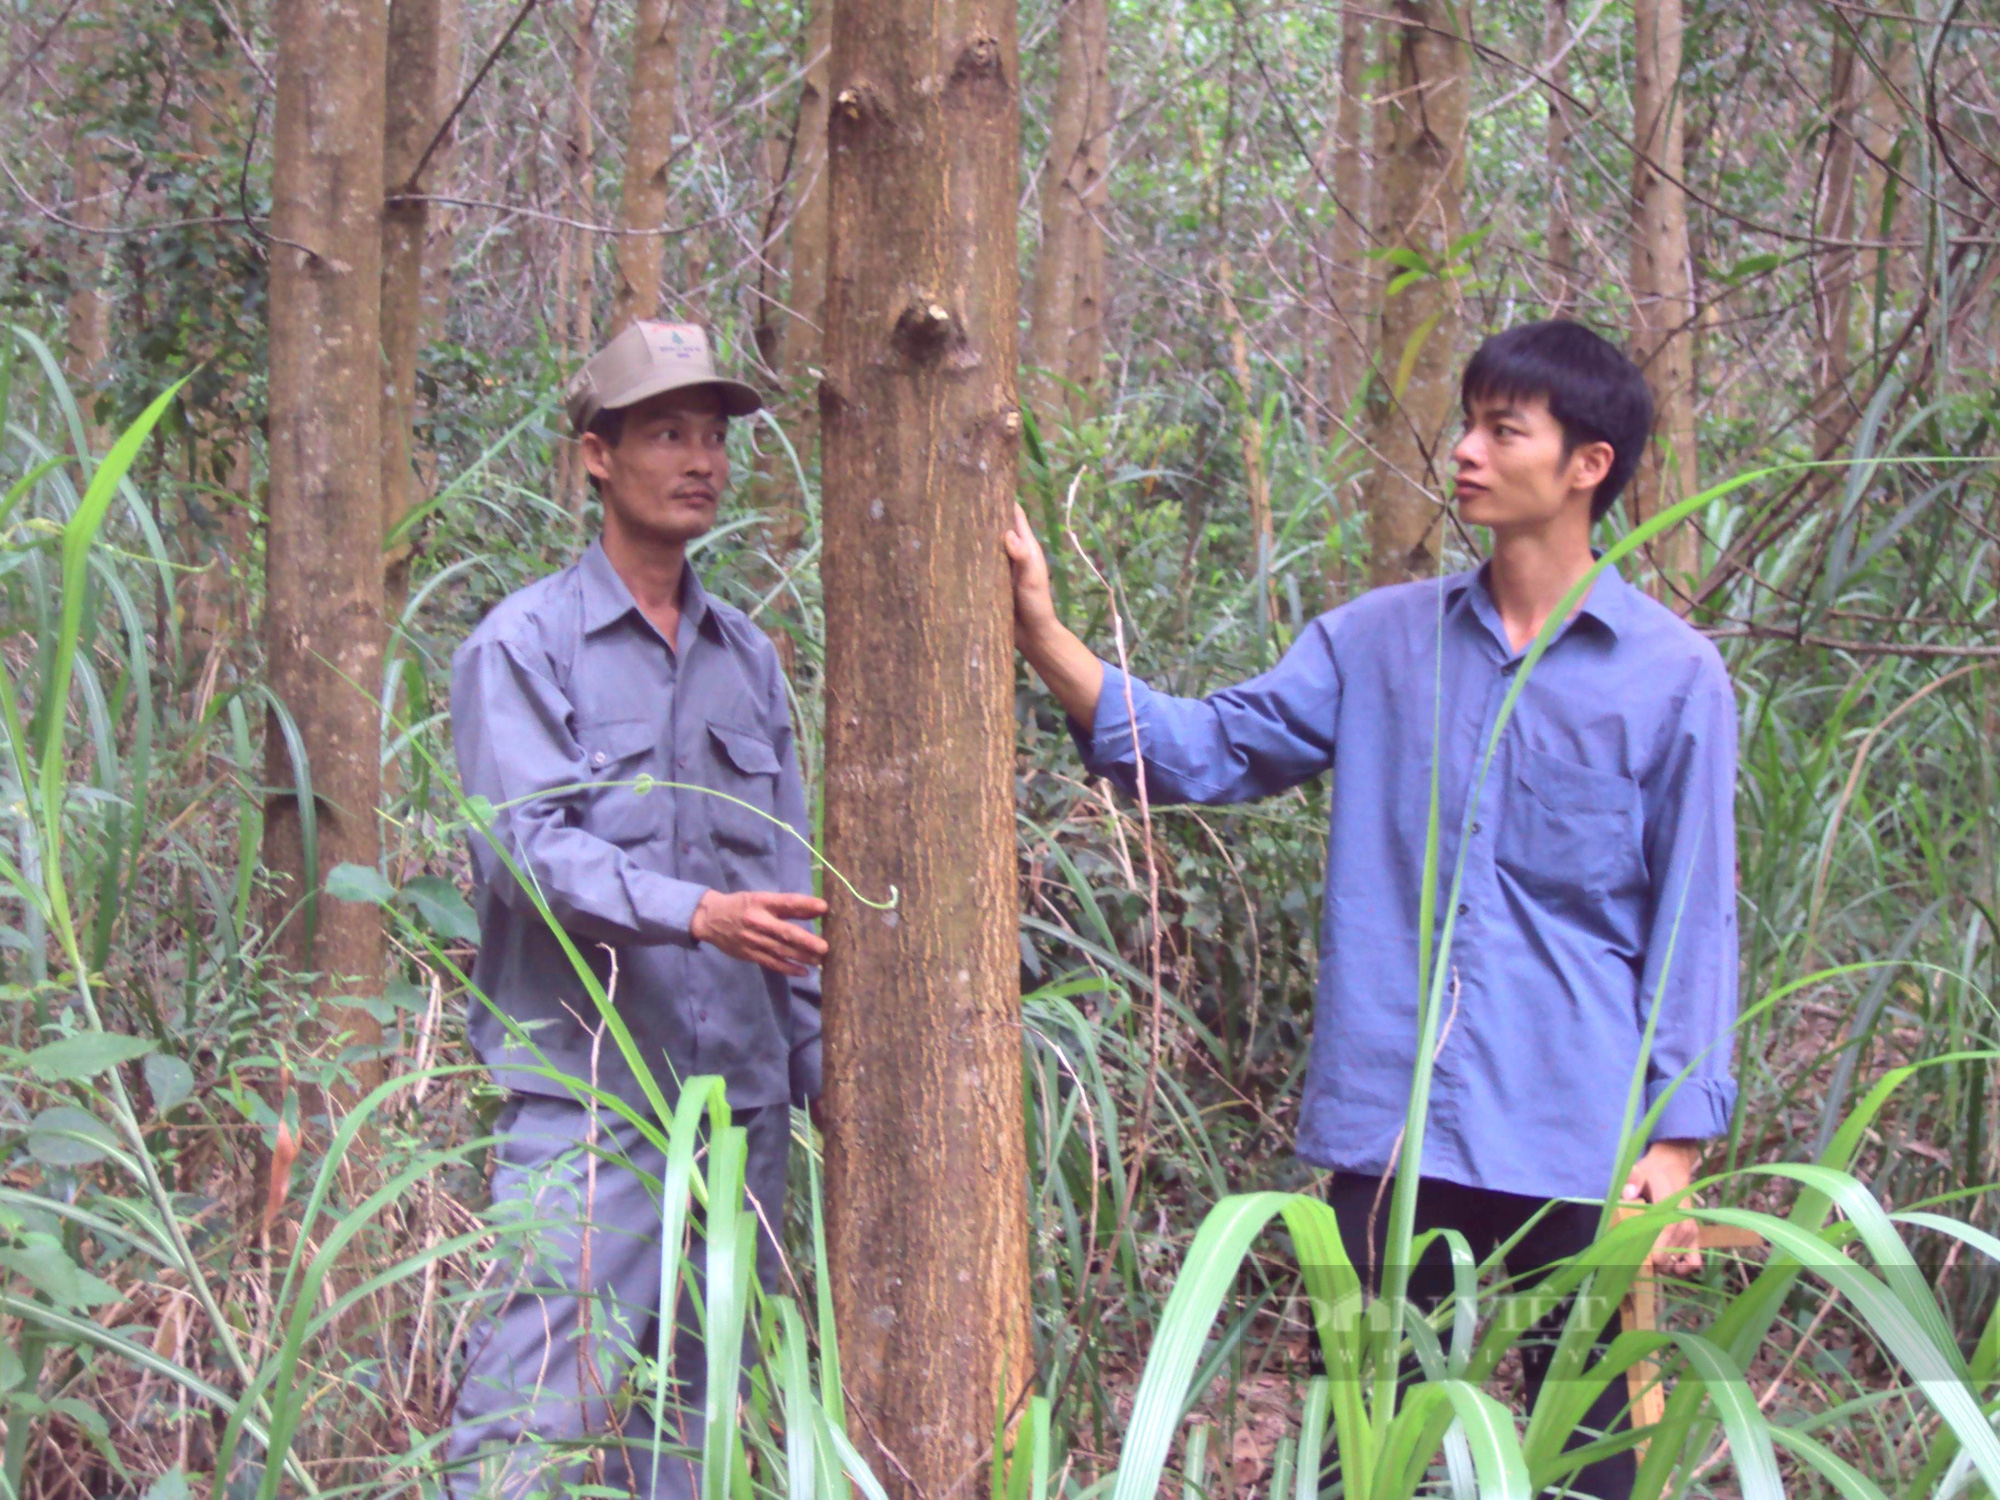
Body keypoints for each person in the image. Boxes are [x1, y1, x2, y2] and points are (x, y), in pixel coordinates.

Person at [1005, 320, 1739, 1499]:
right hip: (1393, 1131)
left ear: (1587, 466)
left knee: (1591, 1462)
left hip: (1581, 1136)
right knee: (1364, 1459)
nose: (1464, 452)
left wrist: (1677, 1139)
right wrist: (1042, 633)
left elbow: (1692, 918)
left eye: (1504, 431)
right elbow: (1203, 752)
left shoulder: (1672, 675)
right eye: (1466, 423)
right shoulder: (1376, 643)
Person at [446, 320, 829, 1498]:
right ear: (596, 457)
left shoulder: (746, 661)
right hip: (589, 1095)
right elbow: (527, 850)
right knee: (536, 1409)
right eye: (666, 432)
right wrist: (695, 913)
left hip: (739, 1110)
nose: (699, 458)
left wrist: (816, 1071)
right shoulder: (522, 644)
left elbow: (788, 875)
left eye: (712, 435)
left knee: (696, 1421)